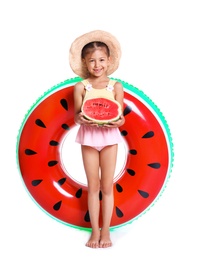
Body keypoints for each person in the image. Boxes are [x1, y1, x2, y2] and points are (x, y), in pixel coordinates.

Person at [69, 30, 125, 248]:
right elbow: (76, 116)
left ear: (108, 60)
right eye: (91, 61)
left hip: (110, 137)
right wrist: (82, 118)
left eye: (101, 59)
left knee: (107, 186)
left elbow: (120, 116)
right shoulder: (81, 87)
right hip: (89, 137)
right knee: (93, 186)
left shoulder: (116, 86)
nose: (96, 65)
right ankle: (94, 232)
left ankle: (106, 231)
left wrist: (118, 122)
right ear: (85, 62)